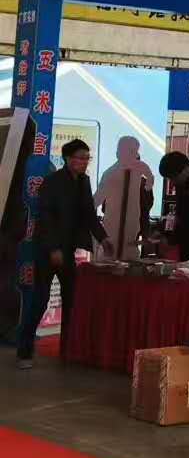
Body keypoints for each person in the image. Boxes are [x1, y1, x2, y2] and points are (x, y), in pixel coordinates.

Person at [16, 140, 113, 369]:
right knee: (40, 300)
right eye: (80, 157)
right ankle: (24, 351)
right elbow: (46, 218)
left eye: (87, 158)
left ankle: (68, 349)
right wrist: (53, 249)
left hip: (67, 250)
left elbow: (89, 214)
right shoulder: (53, 182)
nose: (84, 162)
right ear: (68, 159)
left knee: (72, 300)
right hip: (47, 251)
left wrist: (103, 238)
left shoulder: (84, 182)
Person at [94, 136, 155, 261]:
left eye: (134, 152)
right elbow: (97, 199)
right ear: (118, 153)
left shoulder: (139, 170)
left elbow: (149, 176)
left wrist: (149, 184)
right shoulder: (111, 173)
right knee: (110, 255)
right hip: (113, 225)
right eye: (129, 151)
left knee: (129, 252)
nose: (133, 155)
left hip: (131, 227)